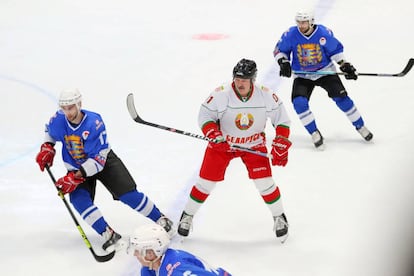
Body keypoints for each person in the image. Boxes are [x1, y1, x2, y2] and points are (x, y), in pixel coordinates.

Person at [35, 88, 174, 252]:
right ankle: (108, 234)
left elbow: (97, 161)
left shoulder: (94, 123)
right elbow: (49, 131)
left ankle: (161, 219)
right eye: (64, 108)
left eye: (71, 107)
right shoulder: (58, 119)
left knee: (128, 194)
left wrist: (74, 178)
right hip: (77, 167)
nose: (67, 112)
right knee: (79, 200)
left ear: (79, 104)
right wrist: (47, 147)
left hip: (103, 162)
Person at [177, 58, 292, 243]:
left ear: (253, 79)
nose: (239, 83)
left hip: (253, 144)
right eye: (237, 79)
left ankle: (279, 217)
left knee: (265, 183)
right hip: (223, 145)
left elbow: (282, 120)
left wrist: (281, 141)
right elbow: (205, 115)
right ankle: (187, 215)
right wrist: (213, 133)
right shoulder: (221, 93)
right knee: (205, 183)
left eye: (244, 79)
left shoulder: (265, 95)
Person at [273, 11, 373, 149]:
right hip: (303, 75)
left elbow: (335, 51)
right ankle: (314, 132)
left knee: (342, 98)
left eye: (304, 22)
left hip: (325, 71)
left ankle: (360, 126)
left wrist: (345, 65)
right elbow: (279, 50)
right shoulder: (290, 34)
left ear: (311, 21)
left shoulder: (323, 33)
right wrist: (283, 62)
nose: (301, 25)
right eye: (299, 22)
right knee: (299, 103)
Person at [128, 224, 232, 276]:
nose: (135, 254)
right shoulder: (162, 260)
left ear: (151, 253)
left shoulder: (178, 271)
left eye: (138, 250)